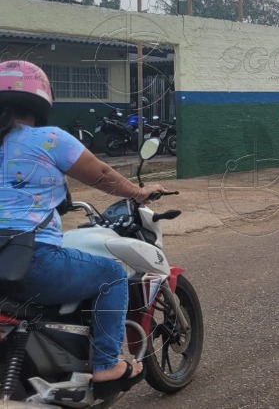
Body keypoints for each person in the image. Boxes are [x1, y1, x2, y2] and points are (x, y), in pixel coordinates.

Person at [0, 60, 167, 395]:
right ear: (40, 100)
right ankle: (107, 364)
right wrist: (139, 191)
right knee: (111, 274)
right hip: (28, 258)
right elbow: (103, 175)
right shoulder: (47, 139)